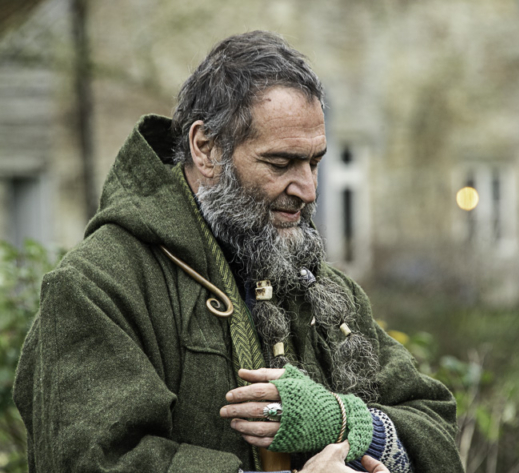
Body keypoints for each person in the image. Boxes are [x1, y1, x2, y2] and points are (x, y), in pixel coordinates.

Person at [13, 31, 464, 473]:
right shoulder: (94, 287)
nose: (308, 190)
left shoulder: (323, 289)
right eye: (281, 163)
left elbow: (437, 432)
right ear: (206, 149)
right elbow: (97, 461)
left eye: (314, 163)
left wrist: (350, 424)